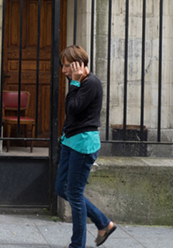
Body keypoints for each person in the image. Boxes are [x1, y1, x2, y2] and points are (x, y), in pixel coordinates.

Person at [56, 45, 117, 248]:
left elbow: (72, 108)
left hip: (83, 145)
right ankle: (103, 223)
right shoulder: (79, 83)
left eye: (66, 66)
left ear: (77, 65)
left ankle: (77, 245)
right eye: (63, 66)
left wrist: (74, 81)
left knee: (74, 192)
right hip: (70, 141)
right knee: (62, 188)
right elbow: (71, 109)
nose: (63, 70)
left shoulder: (90, 83)